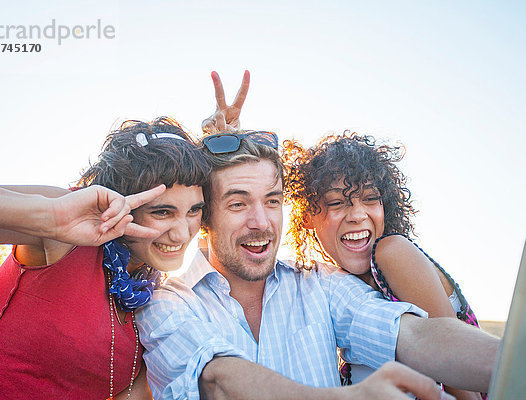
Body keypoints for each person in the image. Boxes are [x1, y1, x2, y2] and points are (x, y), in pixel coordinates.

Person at [136, 130, 499, 400]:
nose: (261, 222)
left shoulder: (318, 282)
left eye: (273, 201)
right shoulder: (166, 303)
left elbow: (414, 335)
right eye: (238, 204)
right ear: (206, 219)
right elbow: (216, 381)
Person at [0, 117, 211, 400]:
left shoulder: (153, 295)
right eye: (162, 212)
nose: (182, 233)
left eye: (194, 210)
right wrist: (52, 217)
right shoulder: (67, 223)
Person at [283, 133, 486, 400]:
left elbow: (459, 371)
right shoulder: (334, 286)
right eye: (337, 202)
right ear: (308, 215)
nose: (357, 215)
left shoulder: (393, 253)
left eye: (370, 199)